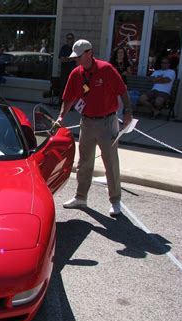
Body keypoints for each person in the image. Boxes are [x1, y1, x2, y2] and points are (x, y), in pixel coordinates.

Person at [56, 39, 133, 217]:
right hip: (87, 122)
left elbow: (122, 90)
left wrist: (128, 111)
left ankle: (115, 201)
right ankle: (81, 197)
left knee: (111, 162)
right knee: (84, 162)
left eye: (79, 56)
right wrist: (61, 116)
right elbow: (68, 98)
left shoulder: (106, 69)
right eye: (75, 57)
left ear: (89, 53)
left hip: (108, 122)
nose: (76, 60)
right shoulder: (76, 74)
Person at [110, 47, 132, 118]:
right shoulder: (112, 62)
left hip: (123, 83)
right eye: (119, 52)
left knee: (121, 101)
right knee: (114, 100)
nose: (120, 54)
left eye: (122, 52)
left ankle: (119, 117)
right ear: (116, 54)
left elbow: (130, 73)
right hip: (113, 84)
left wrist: (127, 73)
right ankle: (112, 116)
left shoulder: (126, 62)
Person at [58, 33, 76, 99]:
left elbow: (76, 59)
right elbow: (62, 59)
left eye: (70, 38)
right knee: (63, 86)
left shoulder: (75, 49)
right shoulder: (64, 48)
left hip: (73, 71)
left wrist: (67, 58)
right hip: (64, 71)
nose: (69, 40)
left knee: (71, 87)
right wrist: (71, 59)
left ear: (73, 39)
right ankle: (61, 103)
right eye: (68, 38)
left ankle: (70, 104)